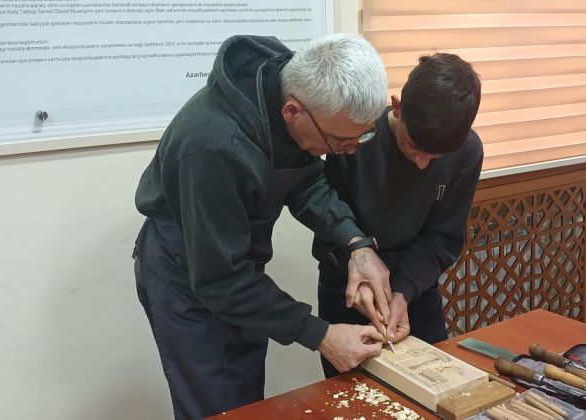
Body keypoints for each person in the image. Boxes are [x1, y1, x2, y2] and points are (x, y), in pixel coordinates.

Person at [132, 33, 394, 419]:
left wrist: (356, 244)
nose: (349, 150)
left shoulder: (289, 88)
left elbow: (305, 180)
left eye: (362, 137)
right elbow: (221, 279)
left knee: (246, 396)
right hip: (186, 268)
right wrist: (320, 335)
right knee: (217, 405)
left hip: (237, 265)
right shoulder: (213, 146)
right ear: (292, 111)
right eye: (340, 141)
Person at [312, 53, 484, 377]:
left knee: (435, 386)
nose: (421, 164)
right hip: (348, 285)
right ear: (397, 106)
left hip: (416, 287)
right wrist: (355, 260)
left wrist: (403, 292)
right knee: (351, 396)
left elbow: (441, 238)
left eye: (435, 157)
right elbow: (327, 213)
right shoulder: (357, 133)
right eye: (414, 148)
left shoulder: (466, 151)